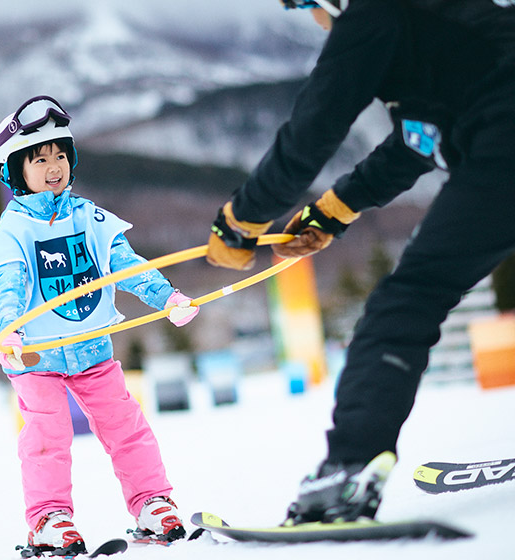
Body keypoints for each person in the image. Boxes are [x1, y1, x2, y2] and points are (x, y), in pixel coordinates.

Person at [206, 0, 515, 525]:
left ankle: (345, 474)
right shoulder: (441, 21)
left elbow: (313, 129)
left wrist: (241, 220)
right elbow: (418, 141)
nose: (316, 22)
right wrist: (329, 213)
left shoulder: (374, 13)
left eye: (308, 6)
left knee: (409, 299)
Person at [0, 95, 197, 556]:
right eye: (40, 159)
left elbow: (125, 265)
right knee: (47, 436)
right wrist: (8, 330)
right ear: (15, 171)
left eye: (61, 155)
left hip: (91, 349)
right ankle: (49, 519)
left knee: (126, 426)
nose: (54, 166)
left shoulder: (90, 217)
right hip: (36, 356)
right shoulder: (14, 231)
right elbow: (7, 286)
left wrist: (166, 297)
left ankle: (152, 504)